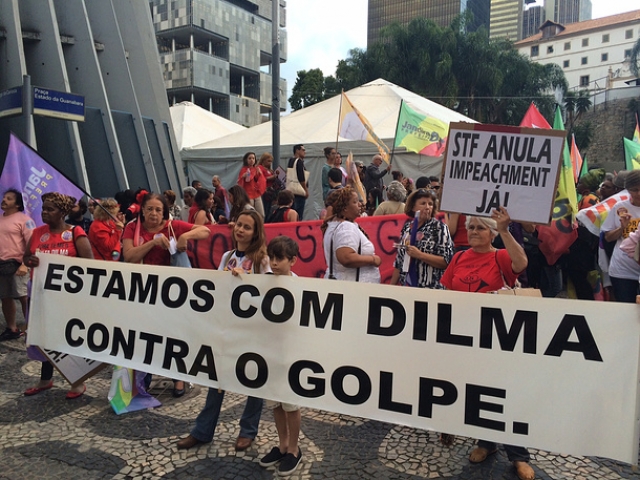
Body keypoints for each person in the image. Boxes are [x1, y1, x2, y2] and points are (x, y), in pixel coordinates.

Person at [440, 208, 533, 480]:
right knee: (476, 391)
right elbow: (447, 294)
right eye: (470, 228)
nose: (473, 232)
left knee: (503, 392)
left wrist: (505, 229)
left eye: (480, 228)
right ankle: (486, 442)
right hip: (465, 337)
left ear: (491, 233)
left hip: (497, 338)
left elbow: (522, 263)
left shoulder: (500, 256)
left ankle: (519, 455)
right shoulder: (458, 258)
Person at [177, 210, 269, 451]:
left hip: (252, 331)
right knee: (216, 379)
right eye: (239, 224)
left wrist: (245, 281)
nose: (241, 230)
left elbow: (270, 297)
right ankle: (202, 430)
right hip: (226, 327)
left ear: (255, 232)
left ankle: (248, 431)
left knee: (253, 380)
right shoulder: (228, 255)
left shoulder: (262, 260)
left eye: (247, 227)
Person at [122, 192, 210, 396]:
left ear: (164, 213)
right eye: (150, 209)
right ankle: (146, 376)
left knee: (174, 334)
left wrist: (186, 236)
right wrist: (152, 242)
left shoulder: (173, 226)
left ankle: (179, 378)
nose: (153, 213)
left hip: (171, 294)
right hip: (143, 291)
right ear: (142, 210)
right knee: (146, 334)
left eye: (158, 210)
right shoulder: (132, 228)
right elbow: (129, 256)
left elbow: (205, 231)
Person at [23, 192, 94, 399]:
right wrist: (30, 261)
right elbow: (26, 256)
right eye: (43, 208)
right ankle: (45, 380)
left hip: (68, 298)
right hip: (41, 294)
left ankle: (77, 382)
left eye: (50, 209)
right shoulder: (37, 233)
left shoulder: (75, 233)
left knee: (69, 339)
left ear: (62, 212)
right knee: (44, 337)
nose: (44, 212)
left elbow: (89, 264)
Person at [259, 236, 303, 475]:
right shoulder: (263, 282)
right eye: (272, 258)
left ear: (292, 261)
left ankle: (294, 449)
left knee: (290, 403)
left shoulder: (298, 286)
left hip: (290, 353)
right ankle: (282, 443)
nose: (274, 263)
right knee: (275, 401)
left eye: (280, 259)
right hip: (269, 352)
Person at [390, 189, 453, 289]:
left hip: (430, 289)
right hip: (407, 287)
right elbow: (399, 261)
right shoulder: (407, 228)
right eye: (423, 203)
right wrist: (391, 288)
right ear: (413, 206)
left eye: (430, 204)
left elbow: (446, 261)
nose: (427, 207)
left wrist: (420, 255)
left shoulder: (439, 228)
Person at [321, 187, 381, 283]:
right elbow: (346, 258)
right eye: (355, 202)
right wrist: (373, 259)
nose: (359, 204)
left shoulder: (334, 225)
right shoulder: (346, 227)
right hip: (353, 288)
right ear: (344, 208)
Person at [601, 170, 640, 303]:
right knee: (626, 309)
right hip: (623, 270)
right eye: (635, 190)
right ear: (628, 190)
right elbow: (607, 237)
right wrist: (622, 228)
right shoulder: (620, 207)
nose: (639, 193)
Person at [0, 189, 34, 341]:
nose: (4, 200)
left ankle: (32, 328)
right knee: (5, 297)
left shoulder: (24, 220)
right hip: (2, 265)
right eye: (4, 197)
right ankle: (12, 328)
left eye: (9, 198)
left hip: (18, 264)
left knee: (24, 297)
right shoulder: (1, 219)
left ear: (18, 204)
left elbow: (32, 243)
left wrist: (25, 265)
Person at [237, 151, 266, 217]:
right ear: (246, 160)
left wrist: (260, 175)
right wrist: (243, 177)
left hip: (256, 193)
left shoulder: (257, 169)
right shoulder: (243, 170)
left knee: (261, 214)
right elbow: (239, 182)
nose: (251, 160)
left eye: (253, 158)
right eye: (249, 158)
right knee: (250, 213)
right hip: (248, 194)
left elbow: (262, 181)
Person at [288, 144, 308, 220]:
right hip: (299, 192)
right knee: (299, 214)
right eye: (303, 150)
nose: (304, 152)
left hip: (291, 190)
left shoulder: (291, 161)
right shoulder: (299, 162)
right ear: (297, 150)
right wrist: (305, 190)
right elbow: (301, 177)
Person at [258, 152, 278, 217]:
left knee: (269, 209)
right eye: (268, 161)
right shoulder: (260, 168)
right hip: (264, 191)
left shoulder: (270, 170)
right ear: (263, 160)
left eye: (271, 161)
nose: (270, 163)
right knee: (265, 209)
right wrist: (273, 177)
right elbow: (261, 179)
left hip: (271, 192)